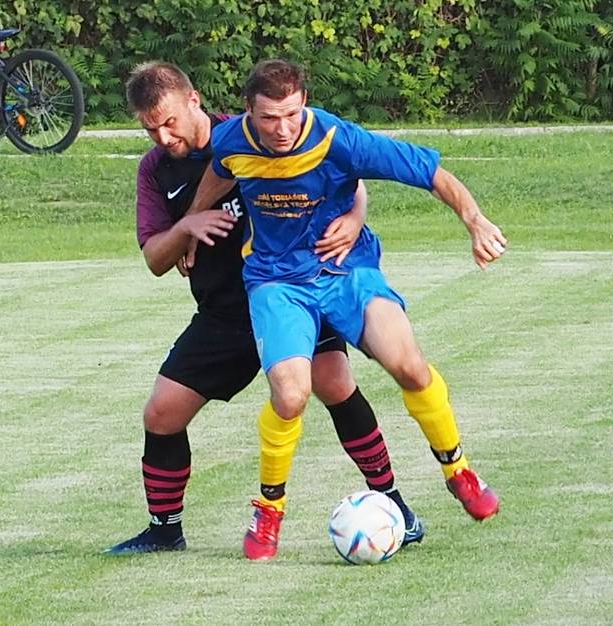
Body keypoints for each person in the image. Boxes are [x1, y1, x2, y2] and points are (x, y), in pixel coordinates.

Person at [186, 59, 506, 561]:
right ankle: (270, 510)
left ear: (304, 103)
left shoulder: (337, 137)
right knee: (291, 395)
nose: (283, 128)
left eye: (292, 113)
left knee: (410, 366)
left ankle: (458, 471)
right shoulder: (232, 140)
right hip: (275, 283)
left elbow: (430, 173)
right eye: (270, 117)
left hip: (346, 272)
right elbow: (217, 172)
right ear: (249, 112)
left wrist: (476, 221)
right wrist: (191, 221)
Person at [106, 61, 424, 555]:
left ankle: (394, 503)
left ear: (194, 101)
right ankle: (165, 530)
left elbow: (343, 171)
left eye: (169, 122)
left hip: (292, 291)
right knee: (162, 413)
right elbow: (154, 258)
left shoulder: (250, 131)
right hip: (226, 313)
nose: (163, 136)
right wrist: (186, 228)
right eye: (151, 128)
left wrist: (357, 217)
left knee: (336, 386)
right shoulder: (155, 170)